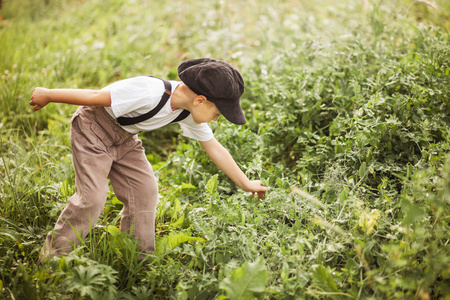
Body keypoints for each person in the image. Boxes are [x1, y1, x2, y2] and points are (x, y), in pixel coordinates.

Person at [30, 58, 267, 258]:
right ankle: (54, 259)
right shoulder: (148, 92)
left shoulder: (187, 111)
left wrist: (246, 183)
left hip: (125, 139)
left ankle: (137, 255)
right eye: (217, 114)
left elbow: (214, 148)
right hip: (93, 129)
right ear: (200, 100)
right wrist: (48, 95)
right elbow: (94, 96)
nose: (216, 120)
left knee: (145, 190)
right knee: (92, 198)